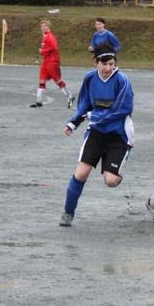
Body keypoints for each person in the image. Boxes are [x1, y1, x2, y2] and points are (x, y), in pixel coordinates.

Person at [59, 45, 134, 227]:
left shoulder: (122, 80)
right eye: (104, 64)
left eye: (112, 64)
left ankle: (116, 169)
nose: (108, 68)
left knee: (111, 181)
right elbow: (84, 104)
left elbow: (123, 109)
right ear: (96, 62)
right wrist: (73, 122)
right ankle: (68, 213)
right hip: (96, 133)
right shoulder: (90, 78)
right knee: (81, 173)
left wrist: (96, 116)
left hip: (119, 136)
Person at [30, 20, 75, 108]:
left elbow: (54, 47)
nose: (43, 27)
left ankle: (70, 96)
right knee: (42, 80)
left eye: (45, 26)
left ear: (48, 27)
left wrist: (42, 50)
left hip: (52, 61)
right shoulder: (45, 36)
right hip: (46, 61)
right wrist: (43, 51)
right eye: (42, 26)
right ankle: (38, 101)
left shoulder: (50, 36)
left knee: (57, 80)